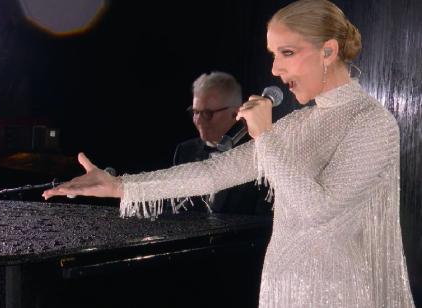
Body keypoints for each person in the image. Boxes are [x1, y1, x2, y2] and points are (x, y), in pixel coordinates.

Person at [43, 0, 415, 306]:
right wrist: (119, 186)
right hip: (280, 291)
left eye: (287, 52)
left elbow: (319, 210)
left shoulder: (372, 123)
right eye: (273, 54)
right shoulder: (299, 125)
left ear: (328, 51)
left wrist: (266, 135)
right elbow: (212, 172)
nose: (275, 68)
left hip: (339, 296)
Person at [174, 71, 271, 215]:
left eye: (207, 113)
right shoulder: (185, 151)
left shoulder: (260, 154)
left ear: (235, 113)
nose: (198, 121)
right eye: (195, 112)